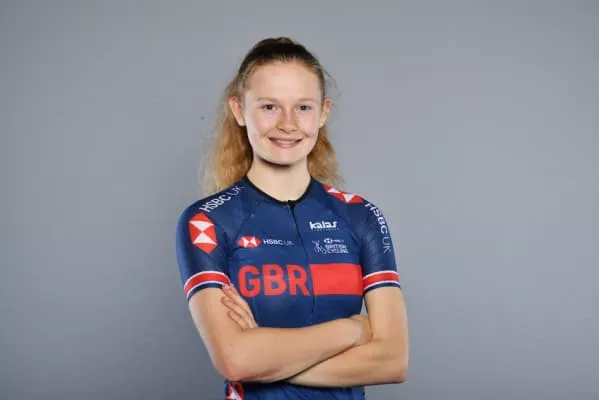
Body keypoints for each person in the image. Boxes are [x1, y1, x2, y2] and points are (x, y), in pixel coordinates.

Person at [175, 36, 409, 400]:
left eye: (303, 107)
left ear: (323, 112)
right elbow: (235, 360)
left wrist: (264, 359)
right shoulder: (207, 221)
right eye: (269, 107)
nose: (288, 124)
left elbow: (393, 360)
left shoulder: (361, 217)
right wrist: (353, 330)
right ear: (239, 110)